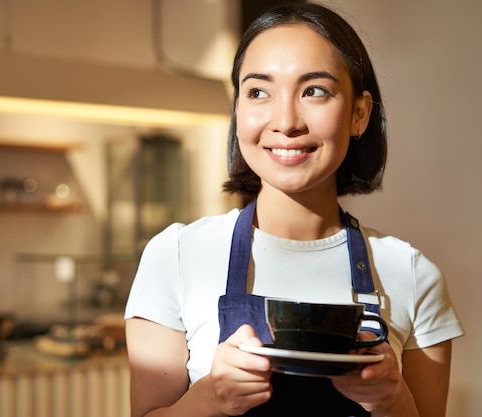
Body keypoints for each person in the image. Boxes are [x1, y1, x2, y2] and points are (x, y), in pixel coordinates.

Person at [124, 2, 464, 417]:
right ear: (238, 111)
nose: (285, 121)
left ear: (359, 114)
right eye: (258, 92)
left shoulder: (412, 274)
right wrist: (207, 400)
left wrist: (392, 400)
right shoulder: (175, 255)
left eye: (314, 90)